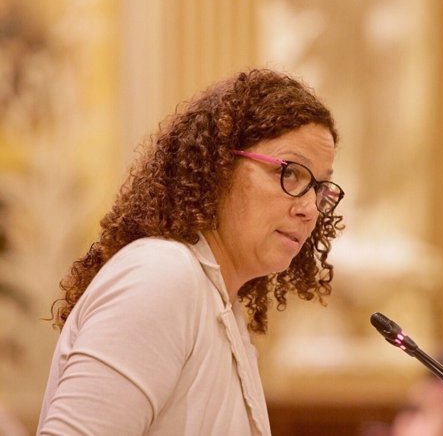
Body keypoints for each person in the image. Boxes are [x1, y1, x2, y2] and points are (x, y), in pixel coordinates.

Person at [37, 68, 345, 435]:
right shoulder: (162, 275)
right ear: (220, 167)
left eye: (320, 188)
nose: (309, 208)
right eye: (291, 173)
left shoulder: (220, 307)